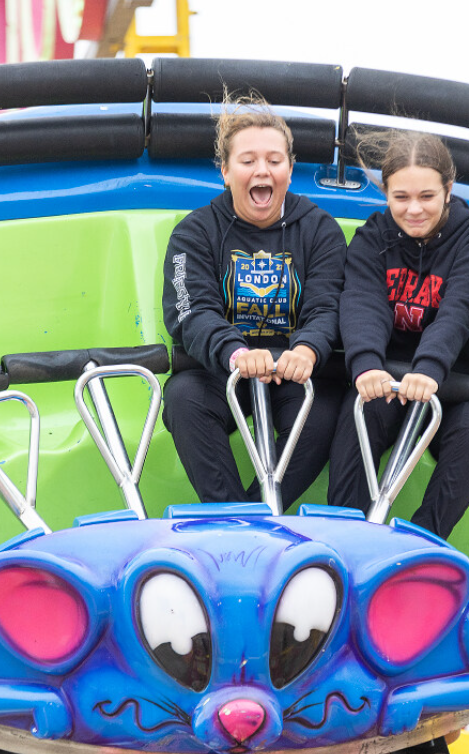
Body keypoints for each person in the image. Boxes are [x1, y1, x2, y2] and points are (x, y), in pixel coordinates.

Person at [327, 130, 469, 540]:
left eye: (427, 197)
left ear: (448, 190)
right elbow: (362, 302)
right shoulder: (373, 238)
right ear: (385, 193)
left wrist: (429, 367)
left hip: (465, 385)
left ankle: (419, 544)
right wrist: (365, 364)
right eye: (401, 198)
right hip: (393, 379)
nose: (414, 210)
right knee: (360, 410)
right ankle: (345, 537)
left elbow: (458, 311)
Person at [161, 93, 347, 508]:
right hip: (220, 371)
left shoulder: (321, 231)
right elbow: (189, 311)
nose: (262, 170)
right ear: (225, 171)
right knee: (182, 398)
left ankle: (249, 517)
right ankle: (233, 515)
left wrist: (307, 348)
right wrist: (234, 351)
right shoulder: (193, 233)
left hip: (294, 372)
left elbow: (329, 304)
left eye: (274, 160)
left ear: (290, 168)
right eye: (247, 161)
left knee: (323, 409)